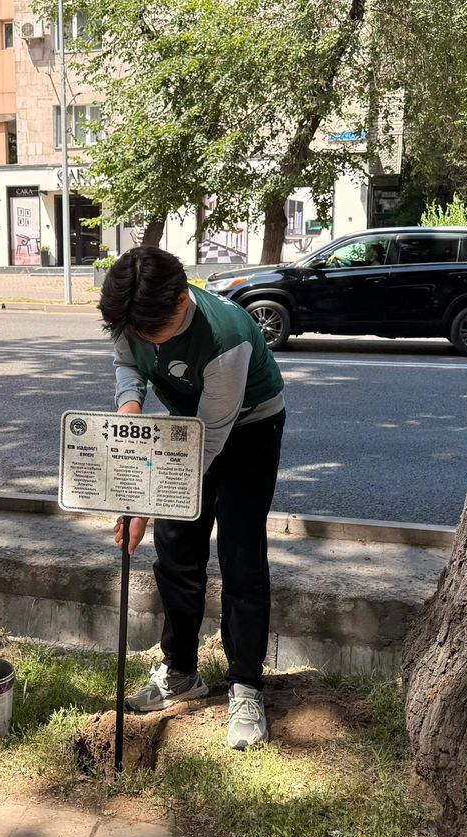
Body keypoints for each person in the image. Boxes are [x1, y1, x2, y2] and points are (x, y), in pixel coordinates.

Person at [99, 247, 286, 750]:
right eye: (134, 331)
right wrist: (131, 411)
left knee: (241, 555)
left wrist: (146, 502)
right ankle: (181, 671)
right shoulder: (131, 311)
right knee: (177, 549)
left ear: (182, 300)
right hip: (183, 425)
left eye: (151, 333)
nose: (141, 339)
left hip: (247, 427)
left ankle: (245, 684)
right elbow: (126, 362)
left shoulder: (227, 337)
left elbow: (211, 439)